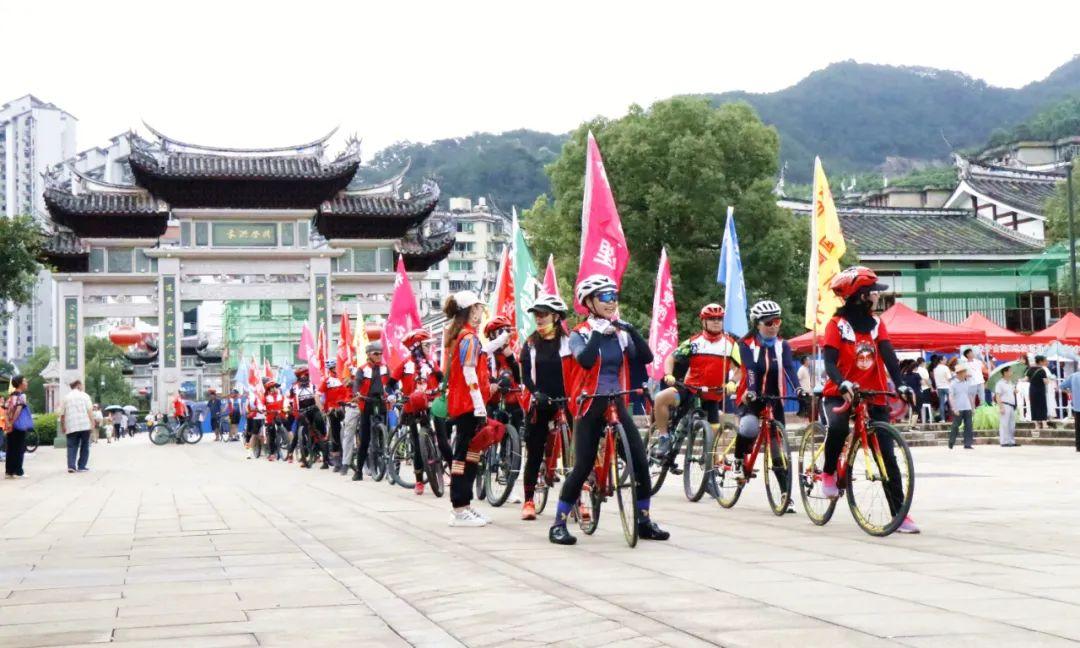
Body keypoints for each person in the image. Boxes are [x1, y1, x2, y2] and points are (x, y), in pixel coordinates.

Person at [549, 274, 668, 545]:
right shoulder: (578, 334)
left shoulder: (620, 333)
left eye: (614, 296)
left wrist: (630, 329)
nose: (611, 301)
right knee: (583, 465)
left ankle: (644, 520)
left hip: (617, 400)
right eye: (604, 297)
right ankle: (558, 524)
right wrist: (597, 335)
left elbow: (647, 357)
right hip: (590, 402)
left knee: (639, 461)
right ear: (588, 302)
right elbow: (586, 360)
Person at [816, 266, 918, 534]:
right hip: (839, 391)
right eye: (873, 292)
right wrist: (842, 383)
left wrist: (903, 384)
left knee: (887, 453)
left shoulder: (876, 325)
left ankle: (900, 514)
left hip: (873, 394)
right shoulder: (836, 325)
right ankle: (828, 472)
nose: (877, 296)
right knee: (837, 427)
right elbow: (829, 362)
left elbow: (889, 356)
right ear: (861, 296)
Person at [653, 303, 740, 457]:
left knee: (714, 435)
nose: (716, 321)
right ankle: (664, 437)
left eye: (719, 318)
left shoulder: (731, 344)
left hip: (712, 394)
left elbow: (739, 369)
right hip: (690, 389)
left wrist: (732, 382)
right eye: (712, 318)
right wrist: (668, 374)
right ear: (703, 321)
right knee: (661, 397)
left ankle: (711, 468)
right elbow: (671, 358)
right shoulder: (694, 342)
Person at [734, 300, 799, 498]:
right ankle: (738, 459)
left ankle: (785, 494)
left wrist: (799, 389)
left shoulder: (783, 345)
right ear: (757, 324)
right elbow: (751, 369)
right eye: (768, 323)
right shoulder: (746, 344)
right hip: (751, 395)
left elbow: (788, 368)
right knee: (749, 428)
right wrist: (752, 391)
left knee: (777, 447)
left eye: (777, 321)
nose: (774, 327)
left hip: (775, 398)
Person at [519, 294, 572, 520]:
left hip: (566, 399)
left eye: (543, 315)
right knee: (535, 450)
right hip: (540, 400)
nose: (539, 319)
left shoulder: (569, 341)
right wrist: (535, 393)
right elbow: (525, 376)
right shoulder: (530, 343)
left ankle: (578, 499)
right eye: (536, 315)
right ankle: (529, 500)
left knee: (580, 447)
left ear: (556, 317)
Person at [442, 290, 493, 527]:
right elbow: (469, 372)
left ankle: (465, 504)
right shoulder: (468, 338)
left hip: (465, 405)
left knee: (470, 456)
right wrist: (480, 406)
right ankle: (459, 508)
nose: (482, 312)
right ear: (472, 310)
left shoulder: (464, 336)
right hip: (468, 406)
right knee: (463, 457)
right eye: (479, 308)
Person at [388, 328, 446, 494]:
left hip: (431, 404)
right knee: (416, 443)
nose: (429, 348)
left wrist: (443, 387)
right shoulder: (405, 364)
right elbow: (391, 383)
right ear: (416, 347)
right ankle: (419, 480)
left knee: (442, 438)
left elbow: (441, 378)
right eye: (426, 345)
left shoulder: (431, 361)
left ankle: (448, 470)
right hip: (411, 407)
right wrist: (393, 395)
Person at [353, 342, 389, 480]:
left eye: (381, 353)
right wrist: (356, 393)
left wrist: (395, 391)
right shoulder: (362, 369)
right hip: (366, 402)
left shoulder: (385, 368)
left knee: (383, 435)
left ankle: (384, 466)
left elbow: (392, 383)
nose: (379, 356)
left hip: (381, 402)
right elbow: (357, 382)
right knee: (365, 438)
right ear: (368, 355)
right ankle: (358, 470)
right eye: (376, 353)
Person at [483, 315, 524, 432]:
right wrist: (492, 382)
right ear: (492, 335)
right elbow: (484, 373)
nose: (505, 336)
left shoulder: (512, 352)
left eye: (507, 332)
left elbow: (516, 376)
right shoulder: (486, 353)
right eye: (501, 332)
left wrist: (511, 358)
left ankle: (510, 448)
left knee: (516, 418)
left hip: (510, 398)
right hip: (491, 399)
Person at [289, 366, 329, 469]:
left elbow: (317, 397)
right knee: (302, 433)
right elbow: (290, 399)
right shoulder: (294, 387)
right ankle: (304, 457)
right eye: (301, 376)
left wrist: (321, 408)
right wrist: (292, 410)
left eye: (305, 376)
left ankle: (324, 442)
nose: (304, 378)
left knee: (320, 423)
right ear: (298, 377)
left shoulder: (313, 385)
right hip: (301, 412)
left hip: (313, 409)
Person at [60, 379, 95, 473]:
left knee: (71, 446)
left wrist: (62, 426)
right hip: (84, 425)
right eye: (82, 385)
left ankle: (71, 466)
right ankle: (81, 466)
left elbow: (62, 414)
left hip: (71, 425)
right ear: (78, 385)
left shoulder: (66, 397)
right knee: (85, 445)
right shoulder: (85, 396)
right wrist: (93, 423)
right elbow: (90, 411)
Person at [324, 361, 352, 473]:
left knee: (351, 431)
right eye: (333, 368)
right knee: (335, 435)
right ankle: (337, 462)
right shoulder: (327, 381)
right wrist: (323, 408)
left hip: (346, 407)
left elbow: (350, 392)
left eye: (336, 367)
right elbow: (319, 394)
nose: (335, 369)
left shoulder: (345, 378)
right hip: (333, 410)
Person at [4, 375, 32, 479]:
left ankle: (9, 471)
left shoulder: (11, 396)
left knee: (10, 448)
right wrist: (13, 422)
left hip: (10, 426)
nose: (27, 383)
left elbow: (6, 411)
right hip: (18, 426)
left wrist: (8, 423)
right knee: (19, 448)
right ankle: (18, 472)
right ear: (20, 384)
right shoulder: (22, 396)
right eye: (25, 381)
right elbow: (18, 410)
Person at [947, 364, 977, 449]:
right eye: (964, 372)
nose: (965, 373)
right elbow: (951, 396)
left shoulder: (967, 383)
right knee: (955, 425)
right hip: (958, 408)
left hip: (967, 407)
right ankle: (951, 442)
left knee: (968, 426)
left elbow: (970, 395)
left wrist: (973, 407)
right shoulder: (953, 384)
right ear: (959, 373)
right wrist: (954, 408)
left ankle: (968, 444)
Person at [995, 365, 1019, 447]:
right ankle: (1004, 441)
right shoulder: (1000, 383)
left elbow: (1011, 393)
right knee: (1004, 424)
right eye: (1010, 371)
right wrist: (1001, 407)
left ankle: (1011, 441)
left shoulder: (1011, 383)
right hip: (1005, 404)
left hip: (1011, 405)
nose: (1011, 372)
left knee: (1012, 424)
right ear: (1005, 373)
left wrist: (1015, 391)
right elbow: (997, 396)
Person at [263, 379, 287, 461]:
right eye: (272, 388)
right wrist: (262, 409)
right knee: (272, 433)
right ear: (269, 390)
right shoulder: (266, 397)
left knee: (285, 427)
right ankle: (272, 453)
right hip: (270, 418)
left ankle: (286, 444)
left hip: (280, 416)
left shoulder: (281, 396)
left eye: (275, 387)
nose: (274, 389)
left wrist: (286, 408)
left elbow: (285, 403)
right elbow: (261, 405)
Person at [1028, 355, 1051, 431]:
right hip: (1040, 390)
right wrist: (1049, 380)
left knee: (1033, 406)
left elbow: (1026, 379)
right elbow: (1045, 382)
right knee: (1042, 406)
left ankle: (1036, 425)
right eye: (1045, 361)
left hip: (1032, 390)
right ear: (1041, 362)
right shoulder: (1042, 370)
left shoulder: (1030, 369)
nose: (1047, 362)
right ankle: (1044, 424)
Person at [1061, 367, 1080, 452]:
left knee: (1078, 427)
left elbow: (1062, 386)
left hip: (1077, 405)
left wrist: (1069, 392)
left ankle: (1078, 447)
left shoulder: (1073, 376)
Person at [931, 355, 952, 423]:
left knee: (941, 403)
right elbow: (949, 378)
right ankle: (952, 417)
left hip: (939, 387)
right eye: (945, 359)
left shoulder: (935, 369)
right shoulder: (945, 368)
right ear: (941, 360)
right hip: (947, 387)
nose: (946, 360)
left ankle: (943, 419)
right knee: (951, 402)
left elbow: (935, 379)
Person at [915, 357, 932, 423]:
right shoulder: (924, 370)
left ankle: (919, 417)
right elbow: (926, 379)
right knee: (926, 403)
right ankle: (927, 418)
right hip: (925, 388)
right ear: (922, 362)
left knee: (919, 404)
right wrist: (931, 387)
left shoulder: (916, 370)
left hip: (918, 389)